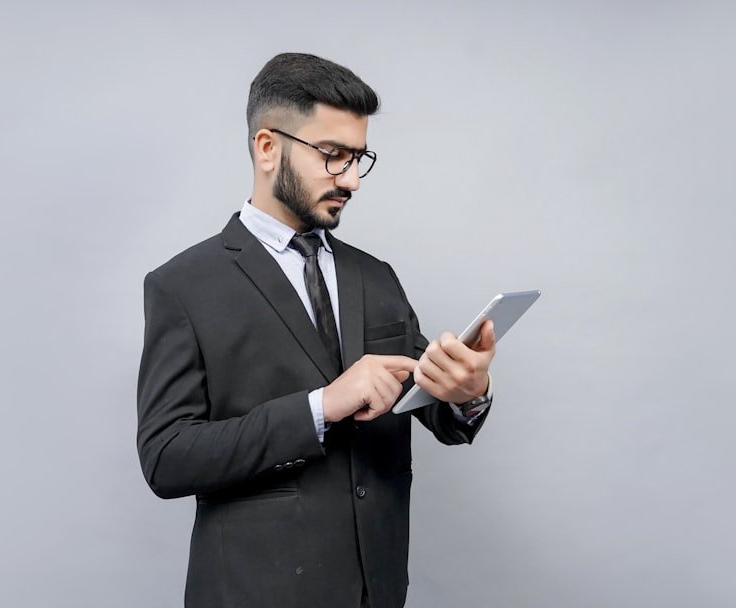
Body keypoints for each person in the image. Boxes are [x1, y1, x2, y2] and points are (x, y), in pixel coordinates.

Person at [136, 52, 498, 608]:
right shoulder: (183, 286)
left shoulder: (375, 276)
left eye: (359, 158)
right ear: (266, 147)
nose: (351, 180)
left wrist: (467, 394)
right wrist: (320, 406)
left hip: (375, 592)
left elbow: (434, 407)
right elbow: (166, 457)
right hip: (254, 593)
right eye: (333, 156)